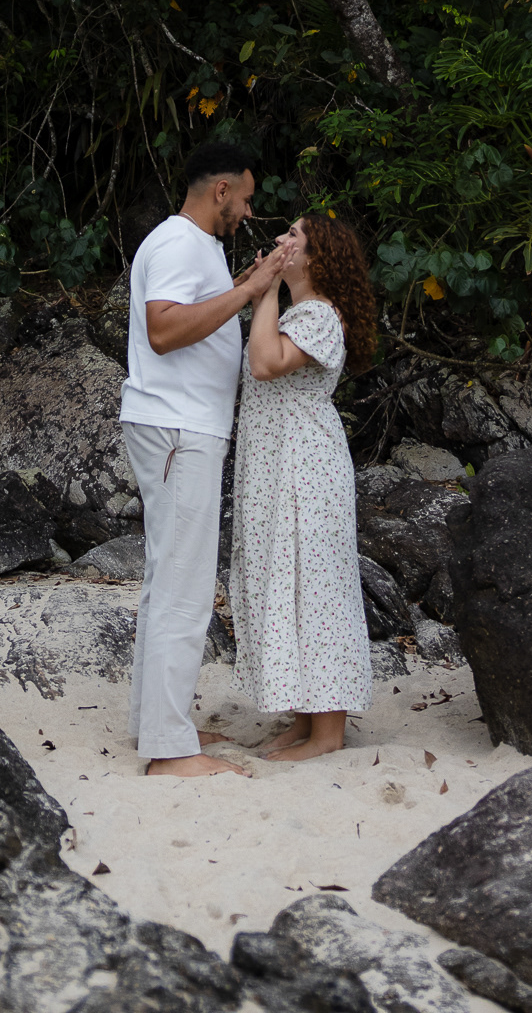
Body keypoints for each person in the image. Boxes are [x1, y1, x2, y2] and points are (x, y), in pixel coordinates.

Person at [122, 140, 288, 777]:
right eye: (245, 199)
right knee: (184, 589)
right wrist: (248, 294)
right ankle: (168, 751)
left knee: (167, 579)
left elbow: (192, 317)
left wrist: (245, 284)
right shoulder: (177, 242)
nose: (248, 211)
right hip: (177, 428)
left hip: (181, 425)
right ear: (222, 190)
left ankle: (155, 725)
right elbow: (164, 330)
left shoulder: (200, 247)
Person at [229, 212, 377, 761]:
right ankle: (304, 719)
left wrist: (263, 290)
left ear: (317, 257)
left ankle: (328, 734)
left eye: (292, 235)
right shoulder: (299, 313)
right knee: (289, 584)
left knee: (317, 588)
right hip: (278, 465)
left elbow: (266, 364)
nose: (279, 240)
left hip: (306, 468)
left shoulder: (318, 315)